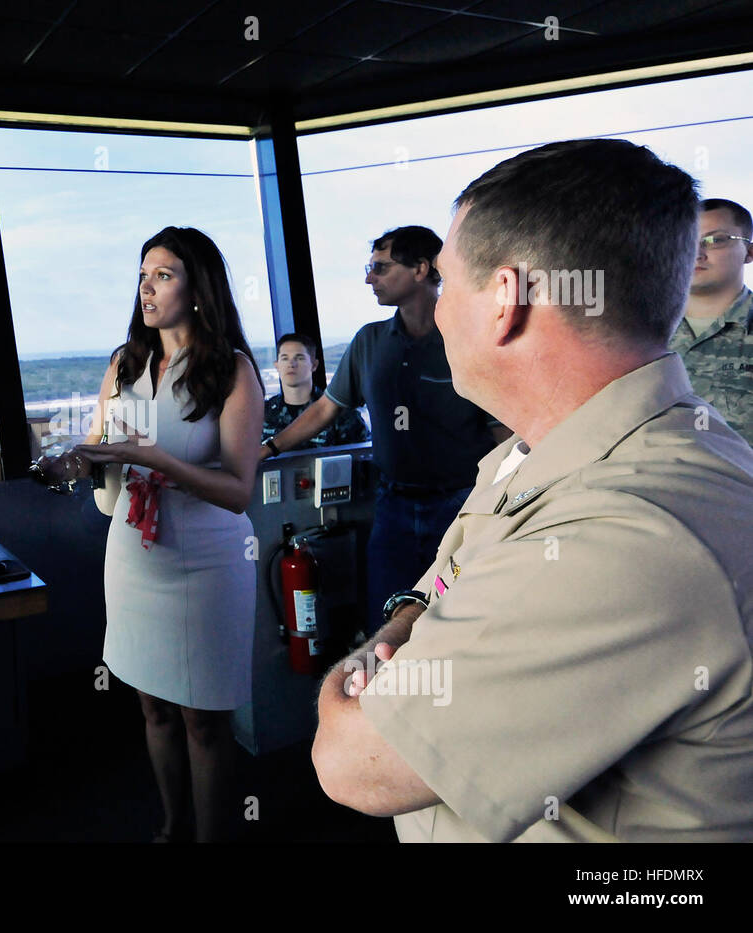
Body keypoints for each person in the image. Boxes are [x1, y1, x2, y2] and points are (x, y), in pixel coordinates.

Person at [313, 139, 753, 842]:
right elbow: (431, 593)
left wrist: (371, 667)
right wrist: (408, 618)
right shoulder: (538, 452)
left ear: (505, 300)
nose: (441, 310)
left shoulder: (624, 530)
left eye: (449, 285)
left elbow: (351, 760)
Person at [37, 227, 264, 843]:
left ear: (199, 288)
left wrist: (161, 460)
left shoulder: (231, 370)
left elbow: (240, 490)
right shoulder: (126, 363)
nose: (147, 287)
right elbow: (106, 449)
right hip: (135, 556)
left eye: (163, 275)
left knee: (203, 720)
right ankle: (171, 824)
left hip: (207, 562)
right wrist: (74, 461)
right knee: (154, 706)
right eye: (143, 275)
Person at [261, 226, 509, 636]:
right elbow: (325, 408)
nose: (368, 278)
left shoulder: (468, 339)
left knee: (462, 621)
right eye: (368, 268)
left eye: (380, 268)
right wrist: (269, 449)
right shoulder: (370, 342)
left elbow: (502, 428)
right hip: (393, 507)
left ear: (420, 270)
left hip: (461, 507)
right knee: (386, 621)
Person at [668, 197, 753, 445]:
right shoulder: (639, 330)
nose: (697, 253)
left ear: (749, 252)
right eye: (686, 241)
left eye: (715, 240)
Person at [262, 332, 368, 449]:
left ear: (314, 365)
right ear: (277, 366)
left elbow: (361, 457)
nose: (291, 364)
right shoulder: (262, 414)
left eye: (300, 358)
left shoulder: (339, 413)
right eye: (285, 358)